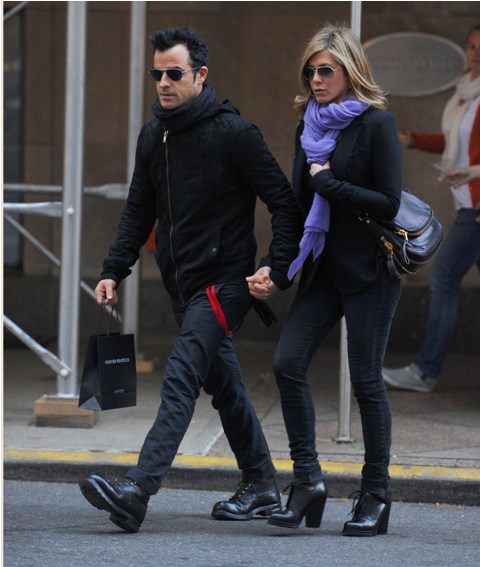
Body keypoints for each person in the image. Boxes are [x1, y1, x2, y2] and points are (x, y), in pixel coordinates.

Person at [78, 26, 302, 533]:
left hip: (224, 284)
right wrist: (114, 269)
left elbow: (285, 204)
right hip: (181, 286)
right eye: (156, 74)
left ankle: (138, 489)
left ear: (200, 75)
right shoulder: (153, 135)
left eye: (173, 74)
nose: (163, 83)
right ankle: (262, 484)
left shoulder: (235, 133)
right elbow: (139, 211)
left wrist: (276, 265)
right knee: (225, 388)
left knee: (180, 378)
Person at [248, 24, 402, 537]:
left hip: (368, 271)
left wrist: (330, 184)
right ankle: (308, 482)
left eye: (326, 70)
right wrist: (276, 266)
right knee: (286, 364)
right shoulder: (307, 127)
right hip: (320, 269)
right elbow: (296, 208)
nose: (316, 79)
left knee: (366, 382)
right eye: (310, 71)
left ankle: (375, 495)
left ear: (350, 71)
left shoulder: (377, 124)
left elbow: (389, 203)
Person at [383, 24, 480, 394]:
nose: (476, 53)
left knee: (442, 278)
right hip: (467, 203)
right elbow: (455, 143)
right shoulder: (464, 93)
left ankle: (425, 371)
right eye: (471, 46)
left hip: (476, 209)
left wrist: (473, 175)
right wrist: (413, 140)